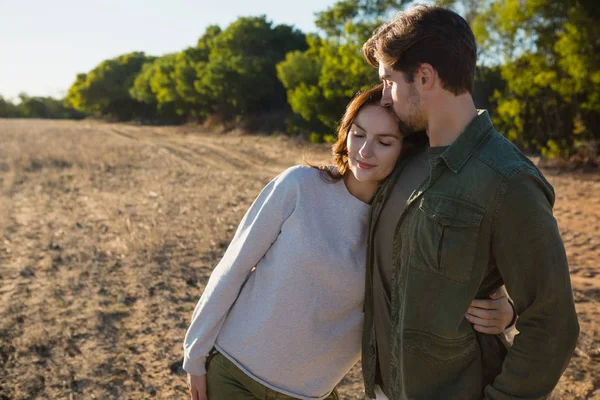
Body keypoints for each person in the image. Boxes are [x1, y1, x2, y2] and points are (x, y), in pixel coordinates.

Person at [182, 84, 516, 400]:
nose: (365, 151)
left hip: (311, 392)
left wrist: (506, 309)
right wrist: (195, 355)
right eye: (358, 134)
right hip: (232, 373)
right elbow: (233, 267)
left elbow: (453, 279)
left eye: (384, 142)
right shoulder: (298, 186)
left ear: (406, 152)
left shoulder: (408, 223)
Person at [360, 5, 580, 400]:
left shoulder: (509, 181)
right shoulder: (401, 153)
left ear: (424, 77)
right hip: (384, 388)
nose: (386, 98)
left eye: (389, 81)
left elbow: (552, 324)